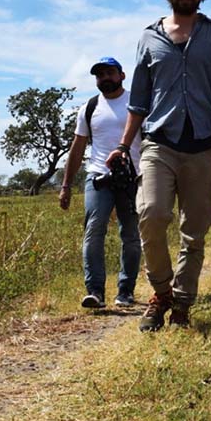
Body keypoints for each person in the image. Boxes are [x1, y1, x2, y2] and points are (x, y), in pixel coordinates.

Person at [108, 0, 211, 331]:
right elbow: (138, 101)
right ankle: (161, 293)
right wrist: (124, 146)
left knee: (195, 231)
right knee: (151, 215)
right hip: (159, 143)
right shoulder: (148, 38)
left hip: (203, 145)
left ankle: (183, 303)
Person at [59, 57, 142, 309]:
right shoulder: (89, 107)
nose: (104, 78)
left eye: (109, 73)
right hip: (98, 176)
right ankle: (95, 291)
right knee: (93, 232)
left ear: (122, 76)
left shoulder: (137, 103)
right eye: (99, 75)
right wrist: (65, 185)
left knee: (130, 235)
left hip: (133, 177)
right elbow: (77, 147)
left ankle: (125, 291)